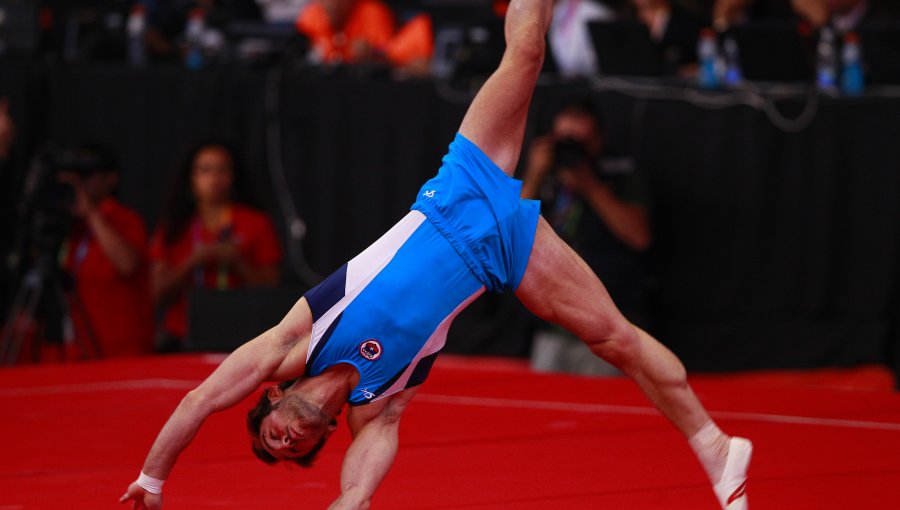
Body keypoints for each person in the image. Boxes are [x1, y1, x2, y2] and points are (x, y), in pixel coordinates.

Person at [121, 0, 752, 509]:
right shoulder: (379, 410)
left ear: (272, 396)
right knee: (614, 337)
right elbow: (356, 492)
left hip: (457, 194)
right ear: (320, 440)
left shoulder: (294, 340)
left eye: (271, 432)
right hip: (503, 254)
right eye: (292, 449)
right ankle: (719, 447)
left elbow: (199, 400)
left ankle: (710, 445)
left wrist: (153, 479)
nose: (285, 439)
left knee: (527, 52)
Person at [522, 100, 654, 373]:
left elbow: (638, 237)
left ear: (598, 141)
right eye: (563, 141)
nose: (570, 149)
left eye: (578, 142)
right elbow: (509, 234)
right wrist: (534, 175)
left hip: (607, 328)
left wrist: (591, 187)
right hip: (552, 327)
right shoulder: (544, 179)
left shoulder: (622, 175)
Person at [150, 141, 282, 352]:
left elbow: (272, 288)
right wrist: (192, 262)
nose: (214, 178)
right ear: (191, 177)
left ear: (232, 176)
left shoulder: (256, 222)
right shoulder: (173, 227)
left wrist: (238, 262)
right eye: (205, 170)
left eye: (222, 170)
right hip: (182, 336)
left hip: (243, 336)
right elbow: (155, 293)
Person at [55, 145, 155, 358]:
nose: (80, 183)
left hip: (123, 349)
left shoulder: (125, 219)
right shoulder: (72, 227)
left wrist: (90, 212)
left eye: (87, 175)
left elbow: (127, 264)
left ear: (110, 178)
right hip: (81, 349)